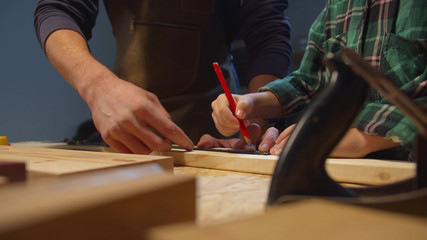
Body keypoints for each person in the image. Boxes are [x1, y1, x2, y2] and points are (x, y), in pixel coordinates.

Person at [33, 0, 292, 154]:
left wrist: (256, 116)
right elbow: (58, 8)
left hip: (221, 134)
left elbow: (267, 30)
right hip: (125, 131)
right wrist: (98, 87)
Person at [204, 0, 427, 159]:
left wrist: (359, 137)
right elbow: (311, 83)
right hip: (346, 169)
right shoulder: (340, 5)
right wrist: (253, 103)